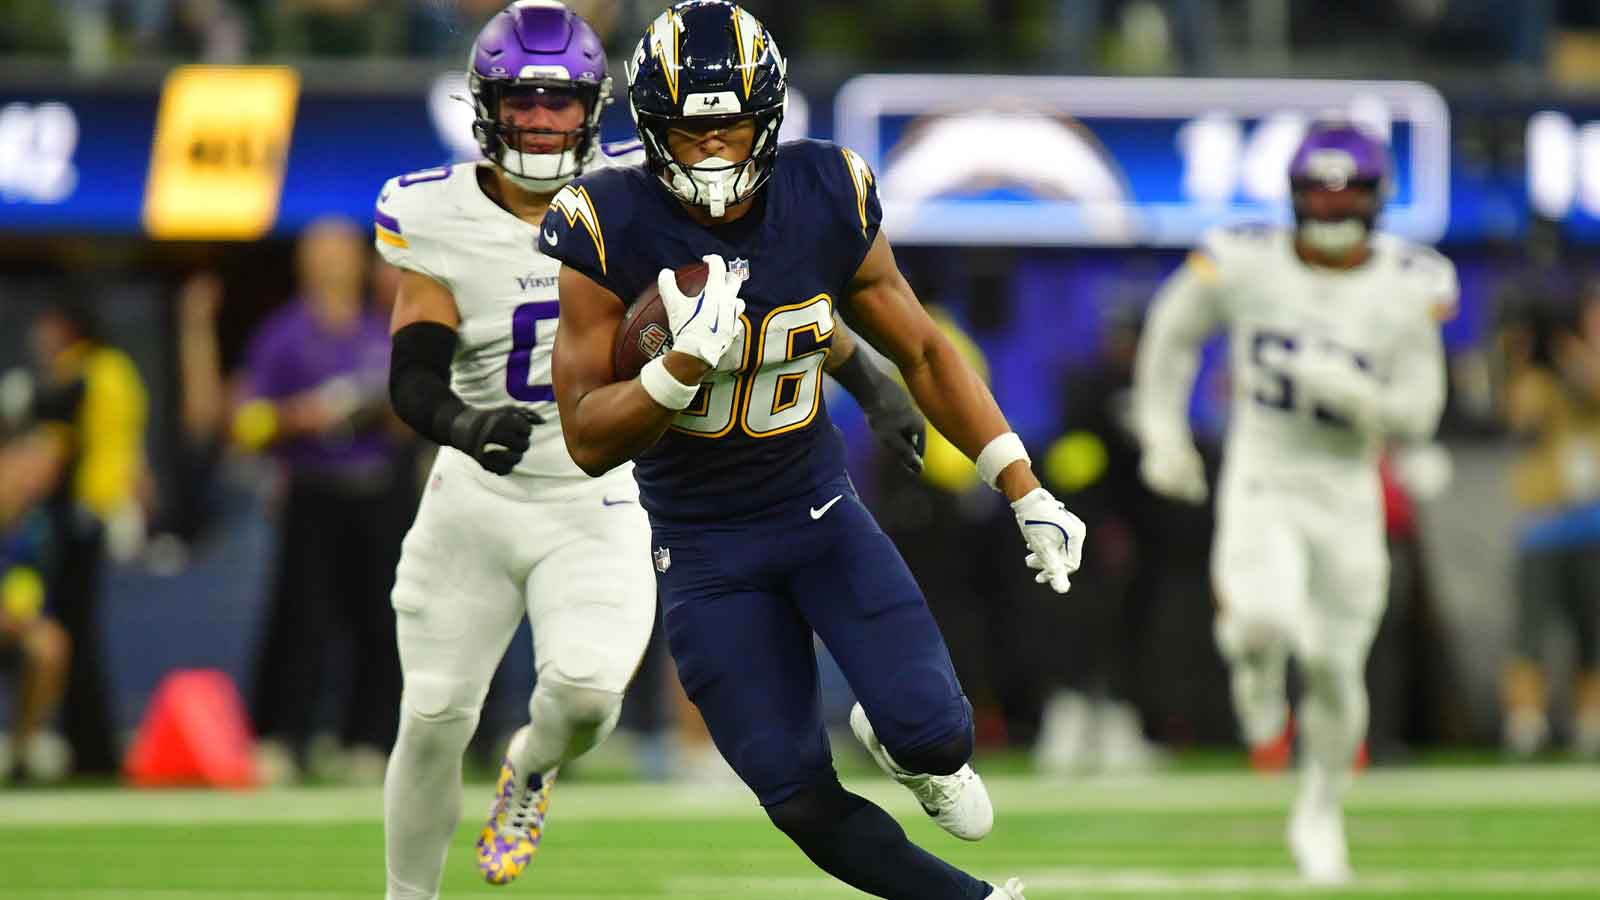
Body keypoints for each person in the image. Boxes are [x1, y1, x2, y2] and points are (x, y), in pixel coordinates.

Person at [375, 3, 925, 896]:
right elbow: (412, 376)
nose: (544, 121)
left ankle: (533, 764)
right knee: (434, 712)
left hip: (604, 491)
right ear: (486, 105)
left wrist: (869, 379)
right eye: (525, 102)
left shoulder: (645, 190)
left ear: (599, 107)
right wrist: (466, 425)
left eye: (563, 102)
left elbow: (776, 298)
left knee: (587, 698)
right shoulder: (432, 211)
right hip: (476, 494)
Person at [544, 4, 1084, 898]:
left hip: (820, 513)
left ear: (770, 116)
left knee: (938, 738)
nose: (714, 151)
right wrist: (676, 372)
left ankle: (905, 740)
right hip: (706, 549)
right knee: (792, 792)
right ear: (650, 128)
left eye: (731, 126)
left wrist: (1023, 486)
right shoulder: (604, 218)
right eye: (691, 129)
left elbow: (922, 348)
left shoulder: (827, 191)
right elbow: (584, 436)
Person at [1132, 119, 1456, 884]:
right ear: (1293, 197)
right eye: (1321, 193)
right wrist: (1161, 434)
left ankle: (1320, 809)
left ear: (1377, 200)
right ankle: (1253, 670)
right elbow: (1172, 334)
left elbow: (1421, 409)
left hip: (1347, 488)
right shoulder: (1246, 261)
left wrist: (1365, 401)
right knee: (1265, 619)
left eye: (1349, 196)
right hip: (1266, 471)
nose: (1334, 210)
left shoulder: (1412, 282)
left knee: (1338, 668)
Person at [237, 215, 411, 785]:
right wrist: (299, 416)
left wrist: (386, 414)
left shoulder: (378, 333)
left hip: (376, 489)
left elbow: (413, 409)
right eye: (322, 254)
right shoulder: (281, 334)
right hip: (312, 490)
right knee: (301, 618)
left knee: (378, 618)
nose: (334, 264)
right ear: (304, 263)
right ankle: (281, 737)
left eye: (342, 253)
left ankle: (366, 740)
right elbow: (247, 421)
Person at [0, 429, 72, 783]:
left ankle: (21, 755)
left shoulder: (36, 525)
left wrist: (23, 621)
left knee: (50, 645)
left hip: (11, 629)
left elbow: (34, 594)